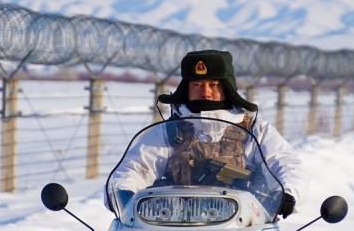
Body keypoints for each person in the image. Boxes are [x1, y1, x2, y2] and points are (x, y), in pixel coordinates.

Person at [108, 49, 308, 218]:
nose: (205, 92)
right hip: (172, 226)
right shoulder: (168, 132)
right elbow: (136, 167)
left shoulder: (255, 130)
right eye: (197, 85)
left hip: (243, 228)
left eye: (214, 85)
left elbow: (283, 162)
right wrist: (123, 193)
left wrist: (288, 194)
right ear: (186, 88)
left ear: (227, 88)